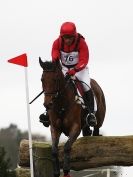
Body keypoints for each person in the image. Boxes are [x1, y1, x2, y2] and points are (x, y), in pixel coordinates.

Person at [39, 21, 97, 127]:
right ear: (62, 36)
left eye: (70, 37)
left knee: (86, 85)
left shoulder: (81, 43)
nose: (68, 40)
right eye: (65, 37)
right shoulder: (57, 42)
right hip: (64, 68)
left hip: (80, 69)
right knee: (54, 85)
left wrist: (74, 71)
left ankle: (91, 113)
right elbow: (55, 55)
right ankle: (48, 112)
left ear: (74, 35)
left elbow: (84, 60)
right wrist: (56, 63)